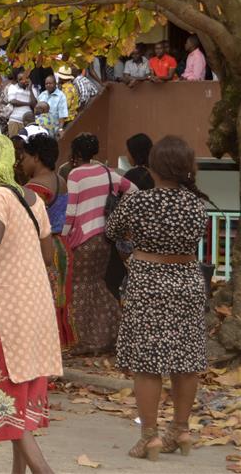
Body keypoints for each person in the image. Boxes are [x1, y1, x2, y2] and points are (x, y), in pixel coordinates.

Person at [105, 136, 208, 461]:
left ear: (152, 166)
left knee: (147, 363)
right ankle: (180, 429)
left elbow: (112, 230)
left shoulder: (138, 202)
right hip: (188, 281)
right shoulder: (196, 205)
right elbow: (196, 235)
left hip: (148, 281)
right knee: (186, 359)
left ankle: (149, 436)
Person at [0, 134, 60, 473]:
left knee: (6, 404)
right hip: (35, 308)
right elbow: (48, 254)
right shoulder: (33, 198)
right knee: (22, 401)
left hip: (5, 311)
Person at [63, 133, 137, 355]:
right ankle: (112, 331)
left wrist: (64, 237)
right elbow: (133, 190)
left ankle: (83, 339)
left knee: (79, 287)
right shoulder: (109, 173)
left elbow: (72, 211)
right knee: (96, 284)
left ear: (76, 154)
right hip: (105, 238)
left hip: (82, 238)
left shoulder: (75, 175)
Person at [19, 134, 75, 350]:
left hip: (42, 248)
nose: (21, 162)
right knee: (58, 299)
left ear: (37, 158)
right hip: (62, 246)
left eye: (24, 157)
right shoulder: (61, 181)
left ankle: (43, 348)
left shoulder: (33, 189)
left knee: (41, 301)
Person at [6, 71, 37, 137]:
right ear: (17, 80)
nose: (22, 81)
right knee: (14, 142)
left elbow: (34, 105)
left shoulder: (33, 90)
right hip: (15, 120)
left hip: (28, 123)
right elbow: (12, 101)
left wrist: (30, 89)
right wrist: (28, 103)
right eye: (20, 79)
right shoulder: (13, 87)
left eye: (24, 79)